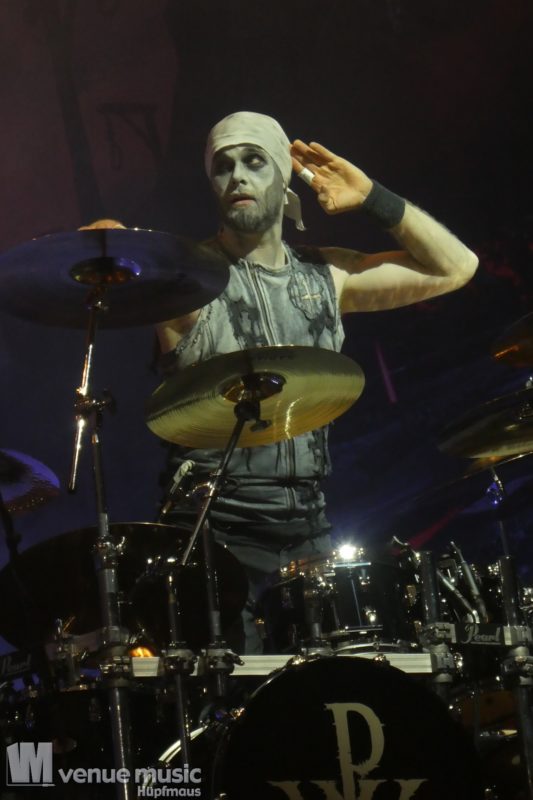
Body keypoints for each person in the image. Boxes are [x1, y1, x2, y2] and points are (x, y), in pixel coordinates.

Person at [154, 111, 479, 654]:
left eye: (254, 161)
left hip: (308, 528)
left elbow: (457, 268)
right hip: (213, 533)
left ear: (284, 176)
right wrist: (107, 244)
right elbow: (124, 262)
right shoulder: (190, 279)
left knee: (325, 691)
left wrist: (372, 197)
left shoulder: (327, 275)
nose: (237, 176)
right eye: (222, 166)